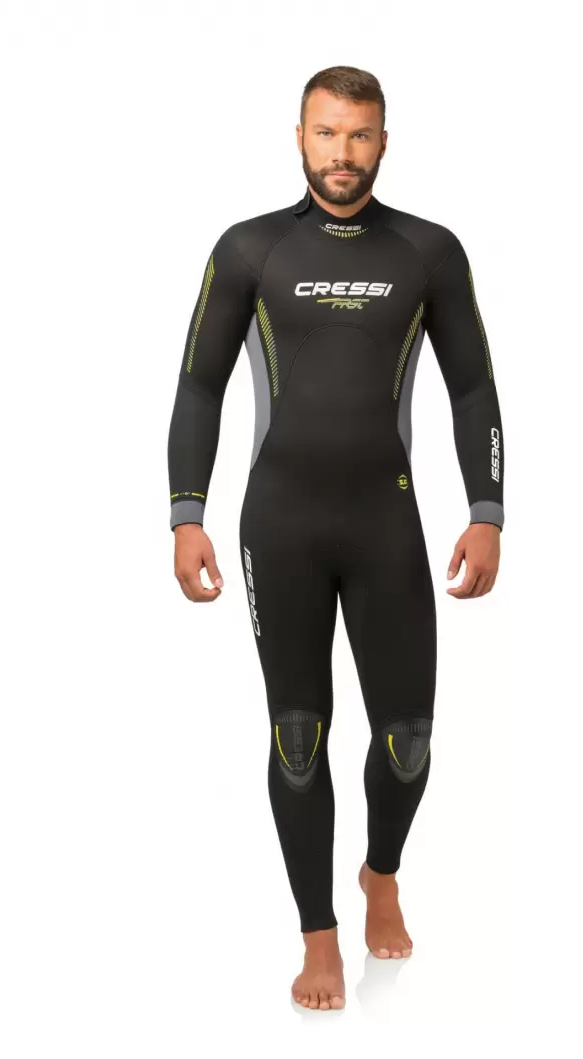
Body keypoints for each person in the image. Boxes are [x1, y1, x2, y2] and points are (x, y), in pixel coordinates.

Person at [167, 66, 504, 1011]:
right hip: (280, 522)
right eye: (326, 133)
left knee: (408, 742)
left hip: (385, 520)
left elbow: (473, 387)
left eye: (359, 135)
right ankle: (319, 933)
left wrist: (486, 510)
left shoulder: (428, 250)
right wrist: (186, 512)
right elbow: (198, 384)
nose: (342, 154)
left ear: (384, 141)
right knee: (298, 734)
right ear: (300, 137)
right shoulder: (250, 248)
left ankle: (380, 871)